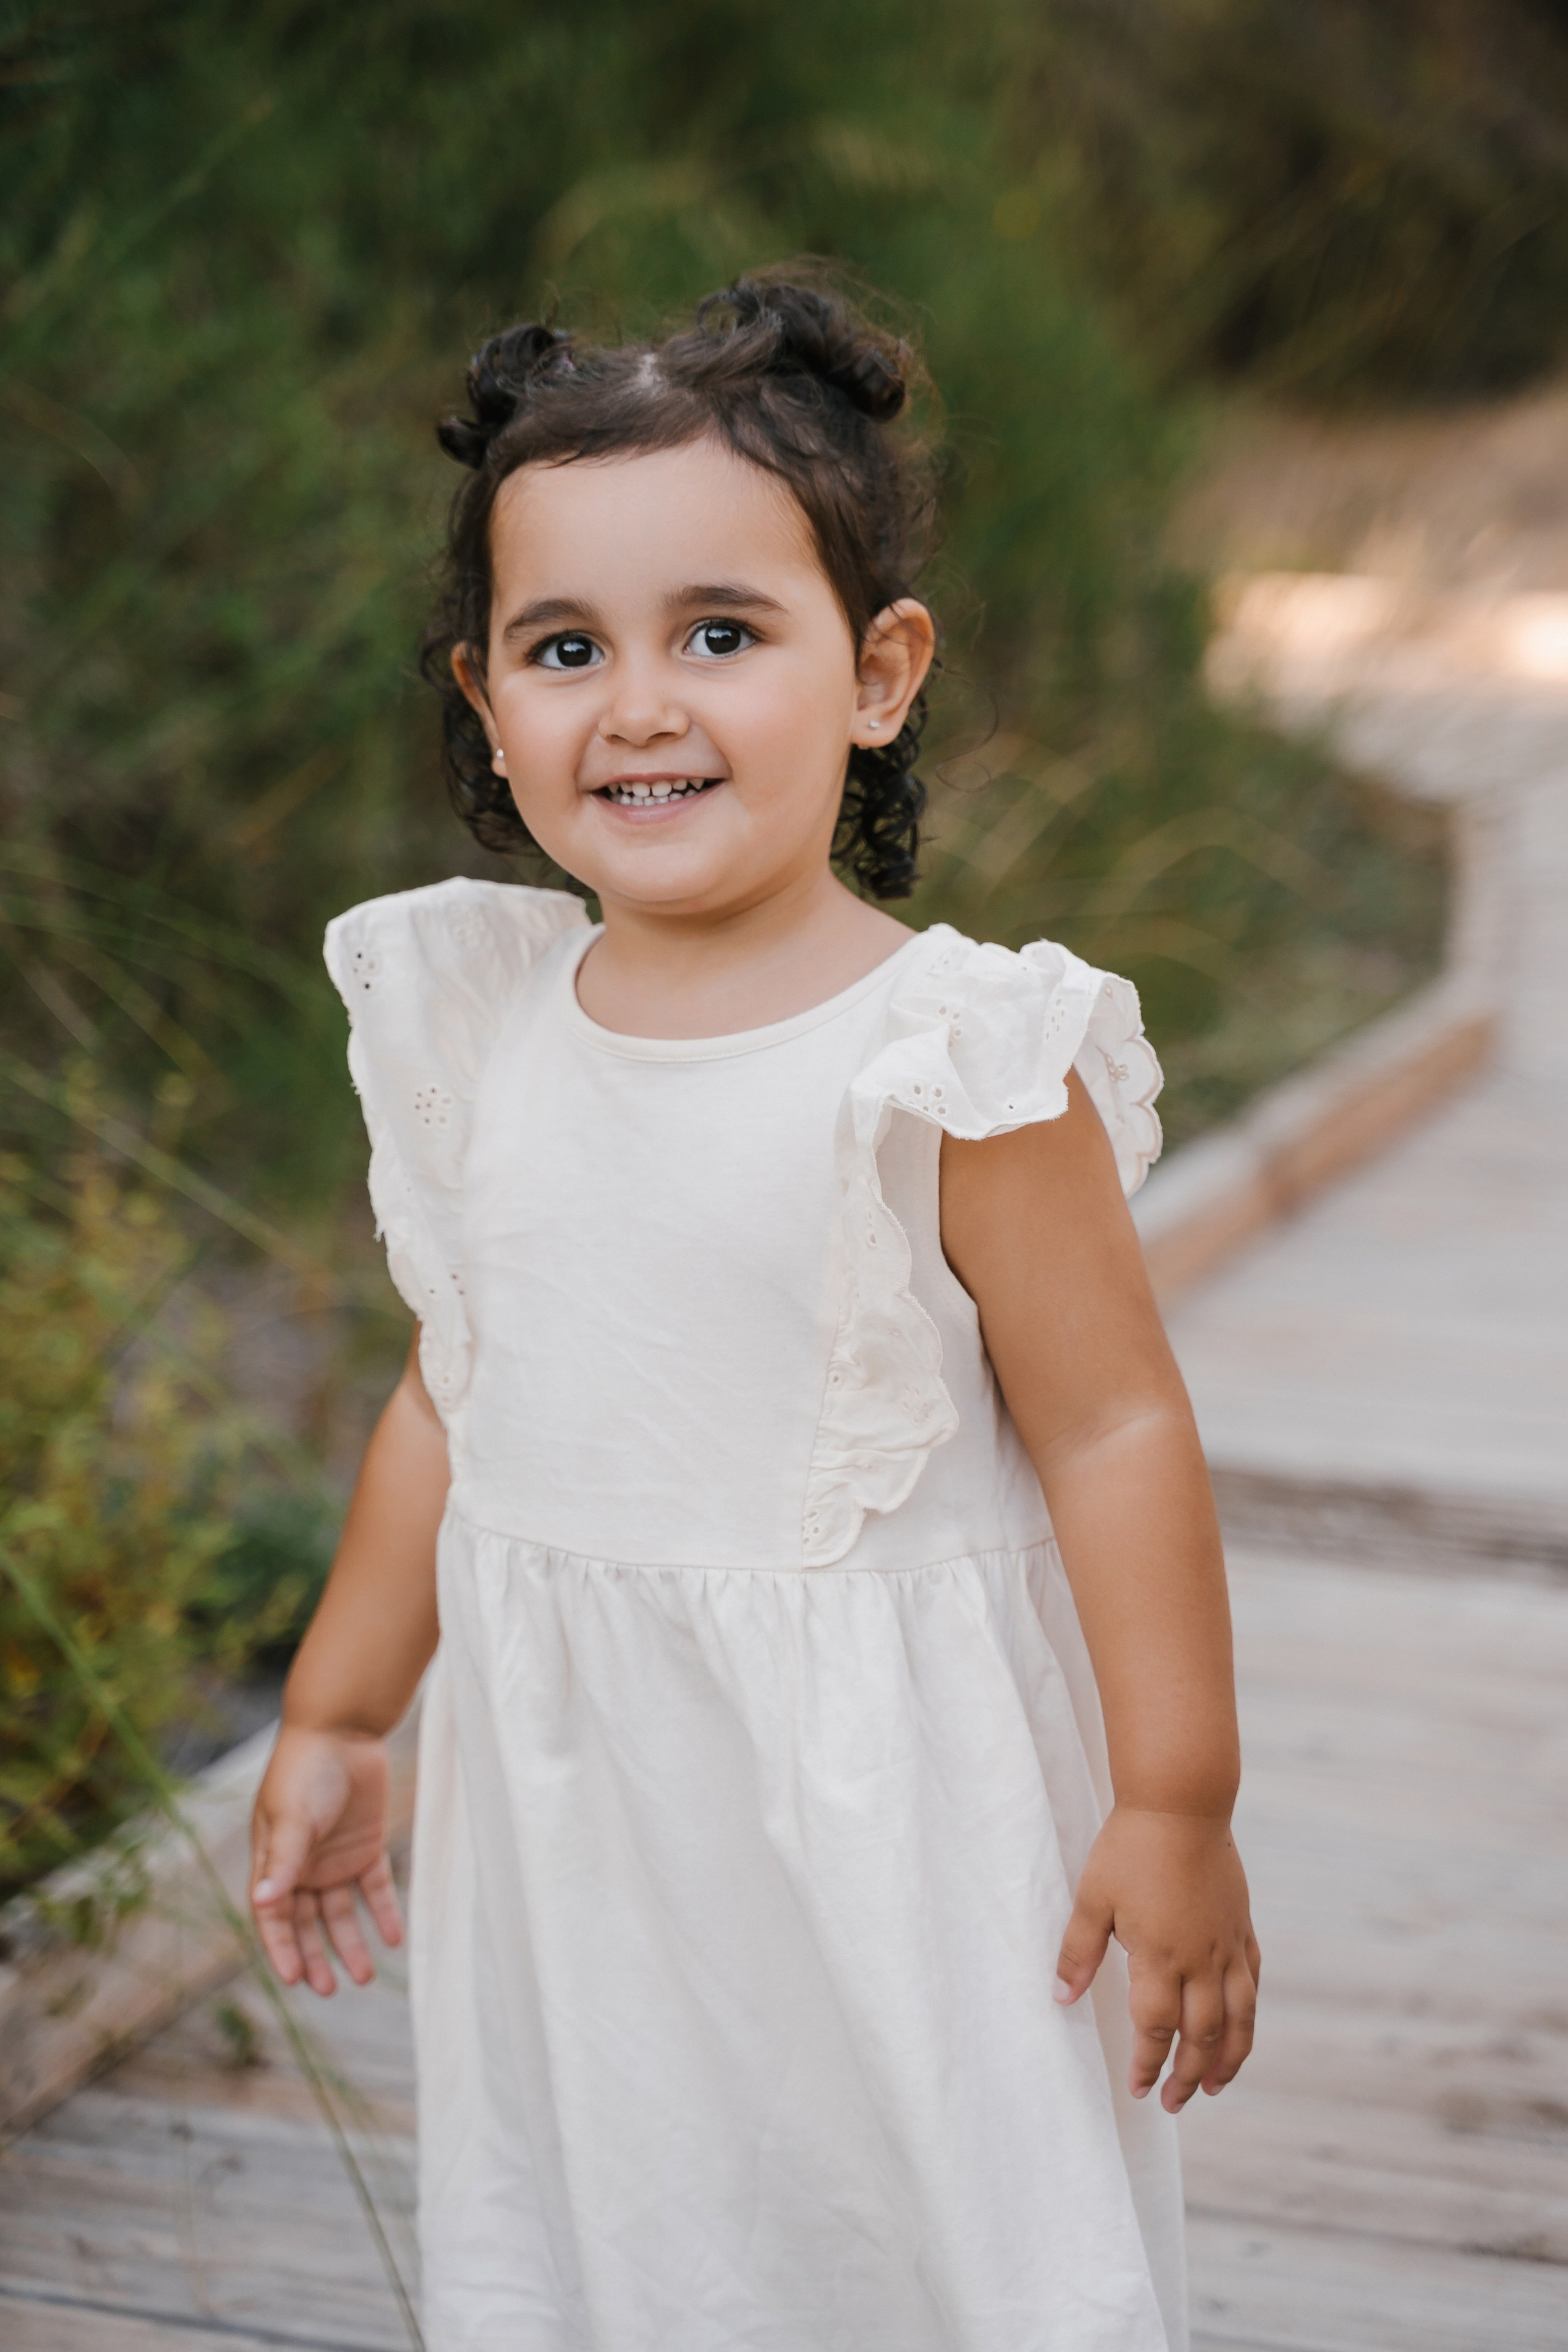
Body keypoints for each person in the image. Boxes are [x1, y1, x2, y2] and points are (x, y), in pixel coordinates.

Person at [250, 273, 1259, 2352]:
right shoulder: (493, 1026)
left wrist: (1176, 1800)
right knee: (630, 2230)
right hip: (583, 1822)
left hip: (896, 1821)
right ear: (484, 698)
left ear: (878, 671)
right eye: (564, 649)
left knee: (935, 2229)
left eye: (722, 633)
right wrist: (345, 1710)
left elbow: (1114, 1431)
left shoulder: (953, 1057)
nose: (639, 703)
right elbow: (464, 1390)